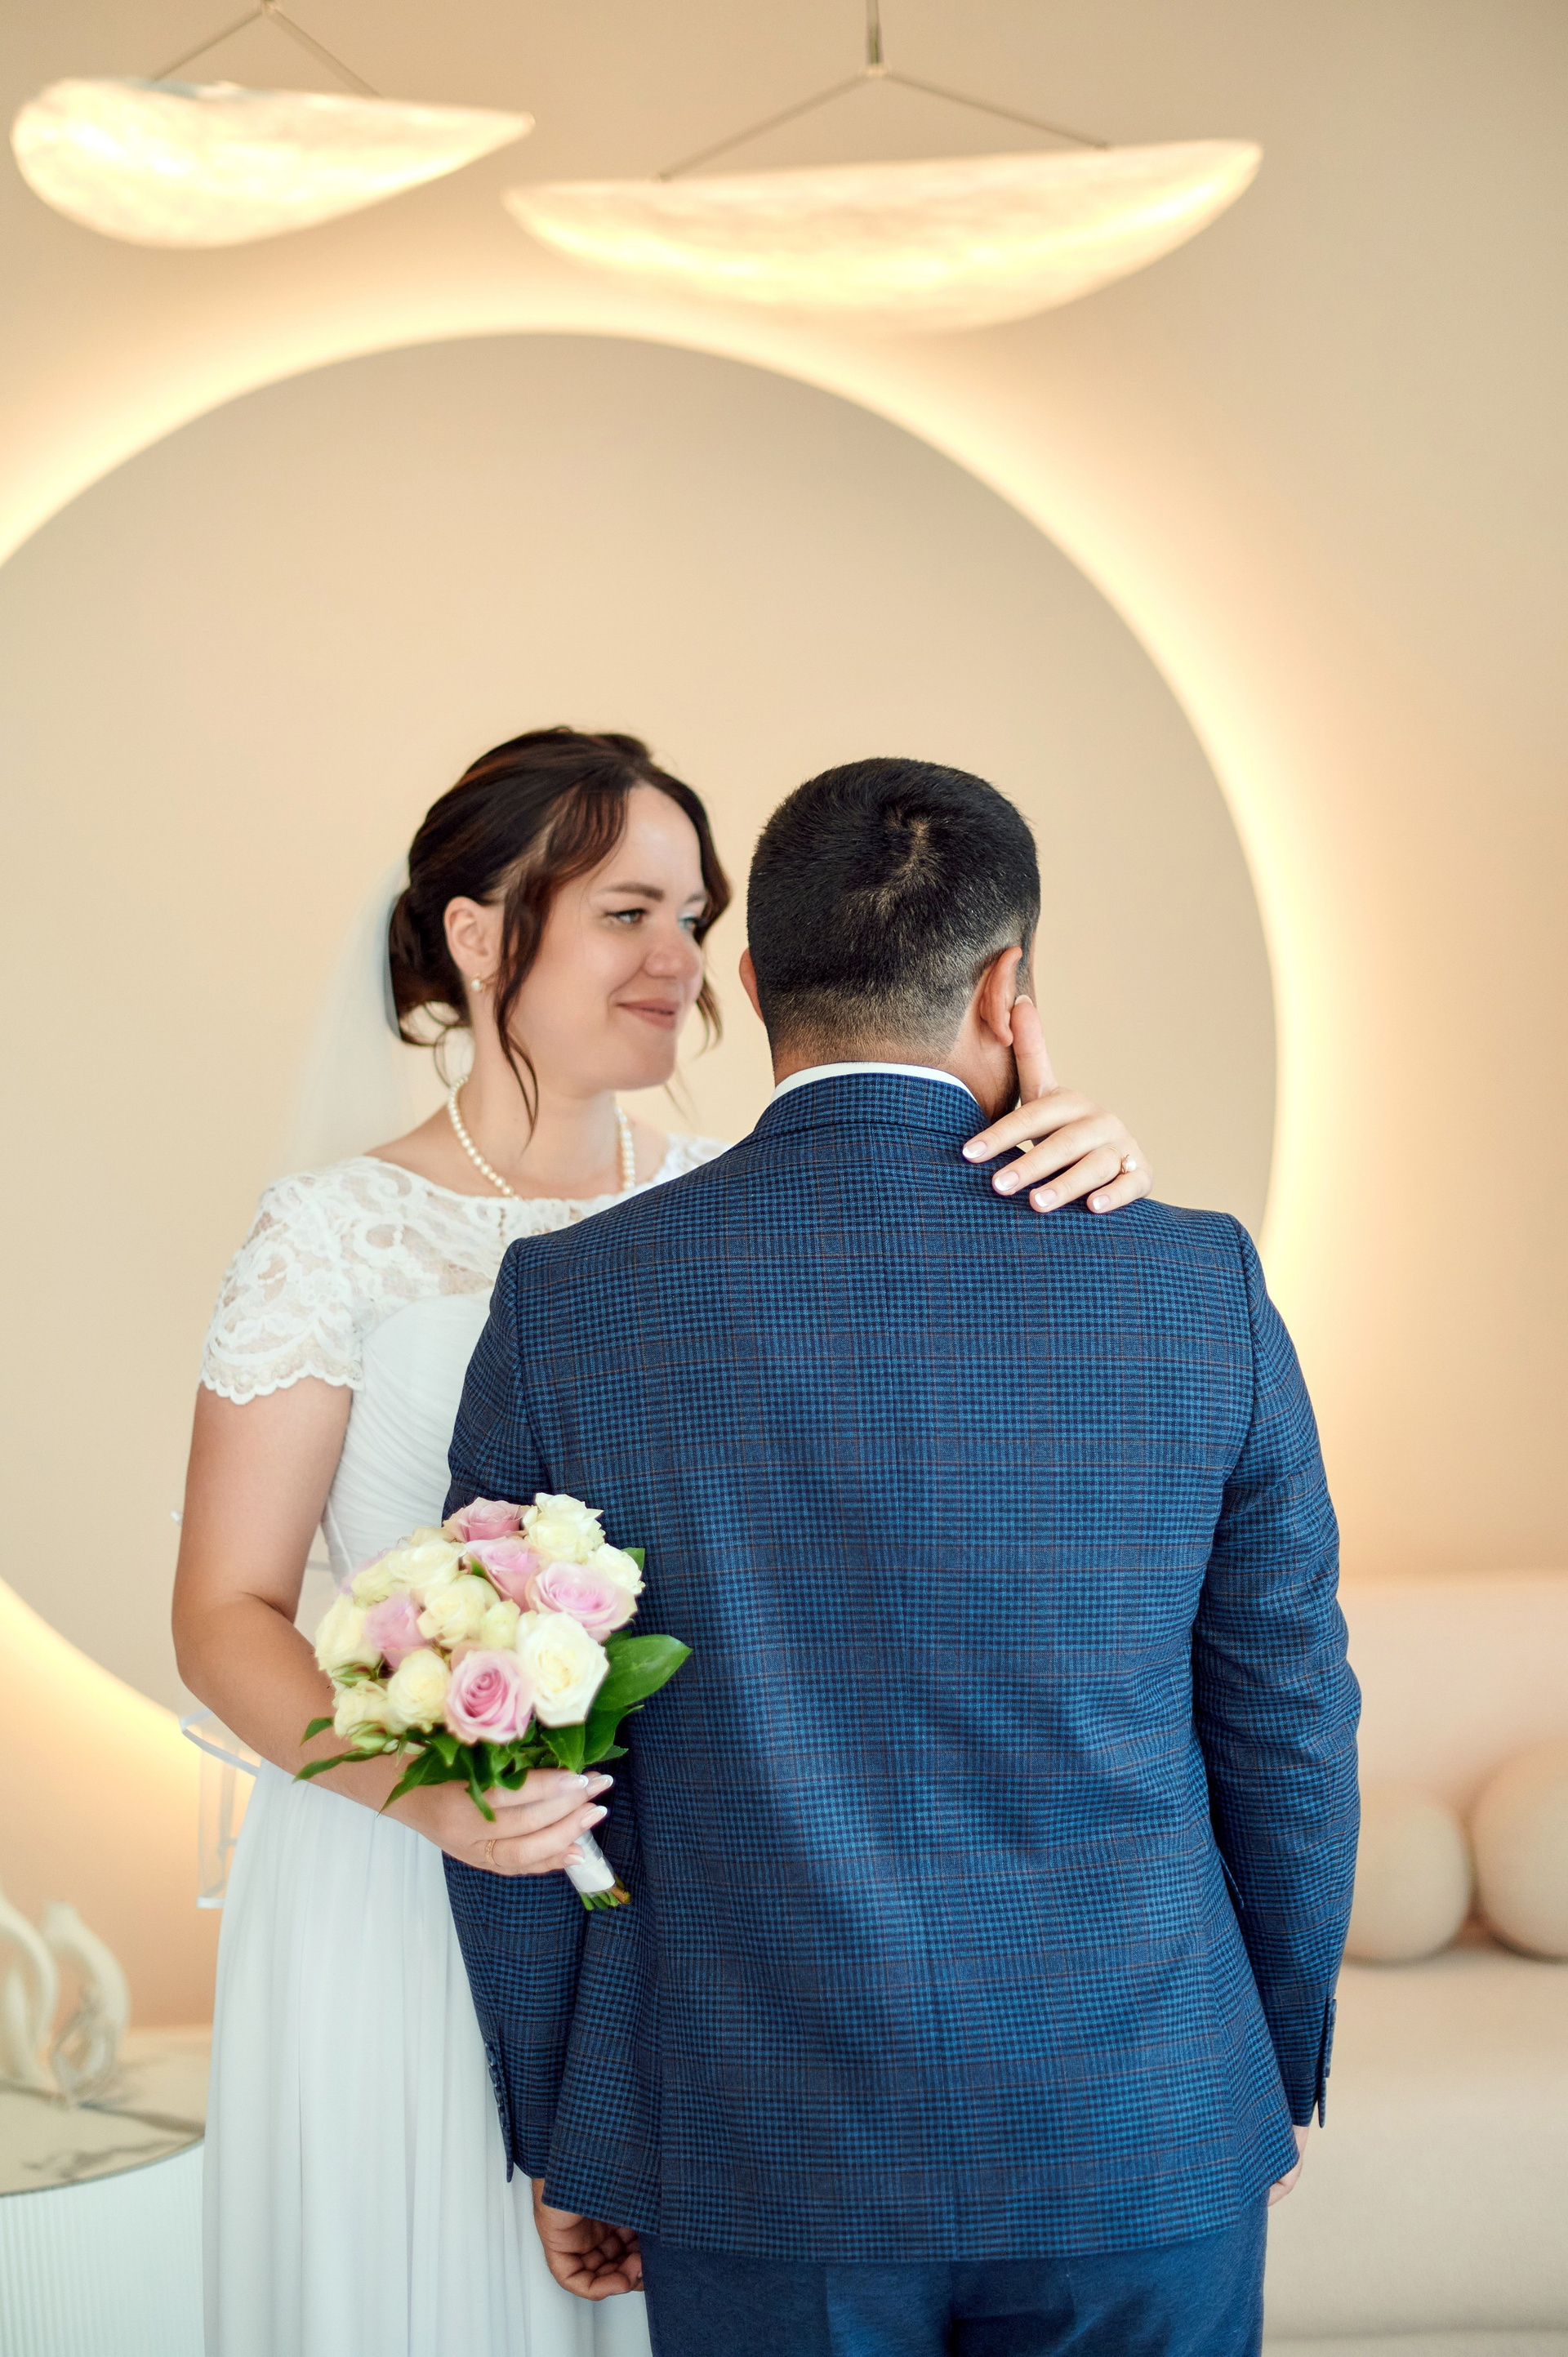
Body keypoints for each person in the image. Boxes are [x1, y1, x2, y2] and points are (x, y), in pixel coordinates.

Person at [172, 729, 1155, 2357]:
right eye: (626, 912)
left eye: (695, 918)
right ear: (479, 933)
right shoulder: (332, 1234)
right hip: (402, 1867)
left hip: (701, 1927)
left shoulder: (735, 1200)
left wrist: (1074, 1165)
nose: (678, 961)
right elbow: (225, 1611)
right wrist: (443, 1797)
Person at [443, 755, 1360, 2357]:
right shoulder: (1193, 1284)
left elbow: (514, 1758)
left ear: (749, 983)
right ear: (1010, 990)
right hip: (1139, 2121)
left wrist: (570, 2124)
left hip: (750, 2145)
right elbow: (1289, 1724)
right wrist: (1257, 2076)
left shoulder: (570, 1306)